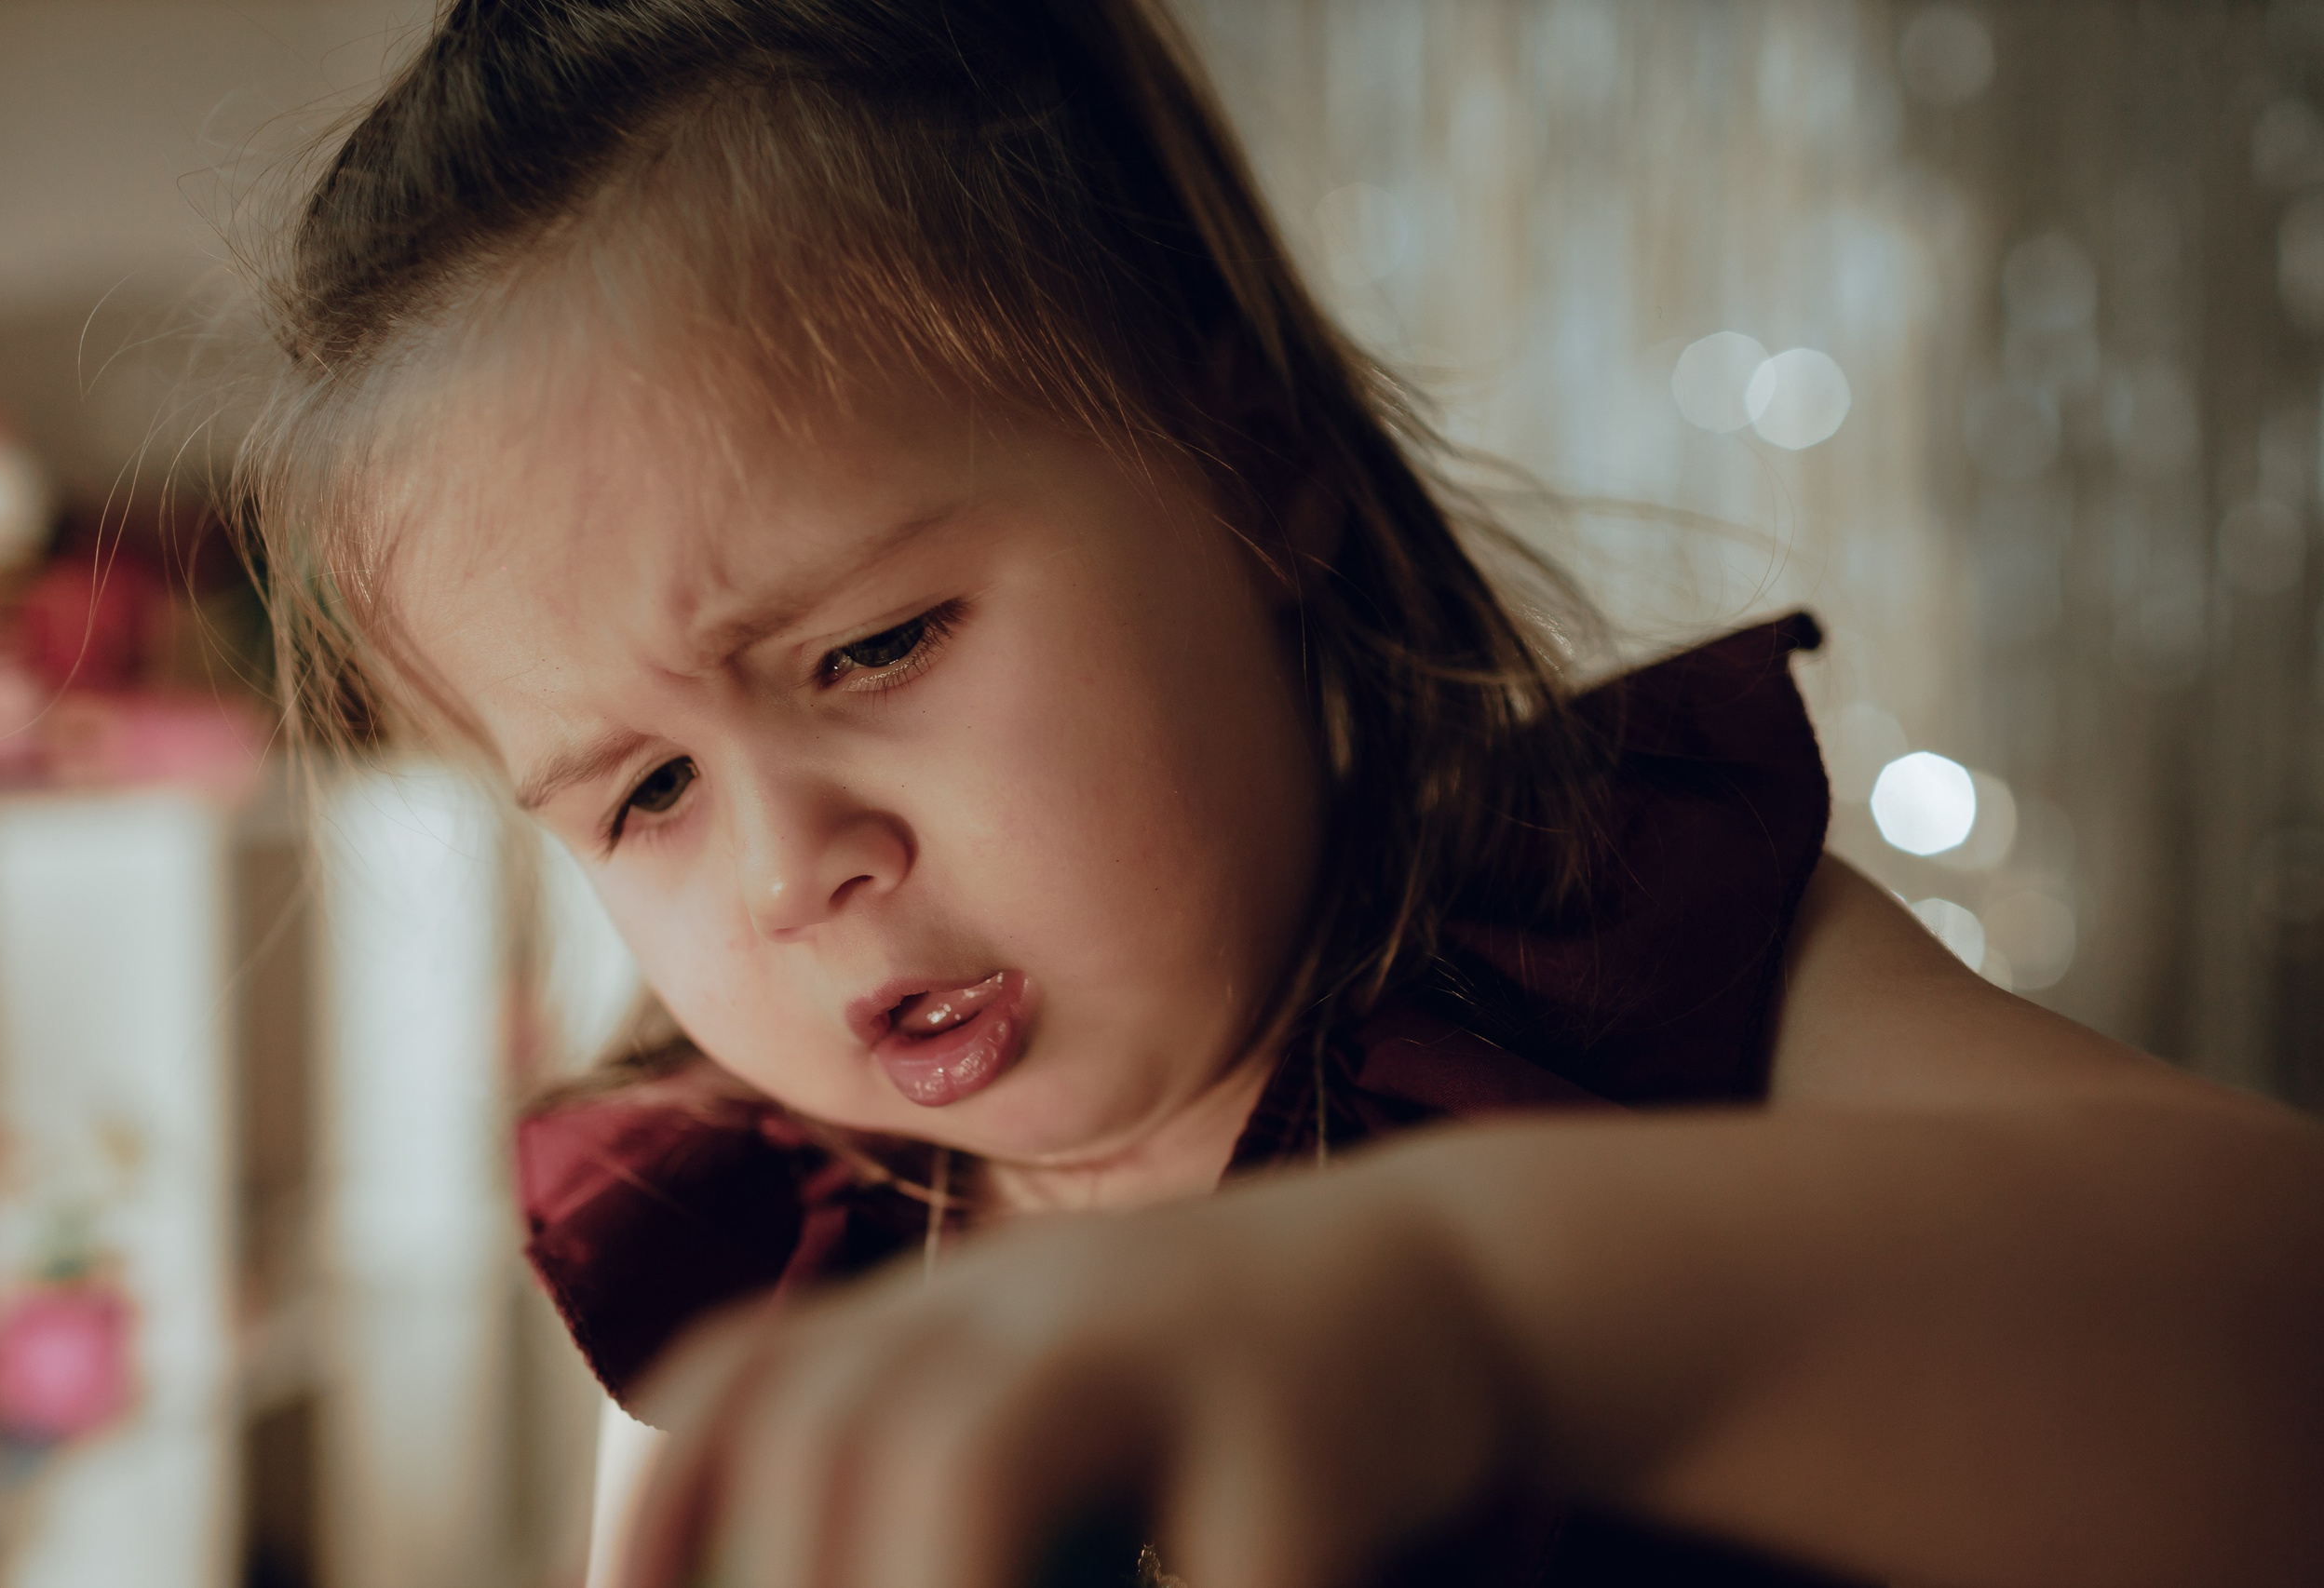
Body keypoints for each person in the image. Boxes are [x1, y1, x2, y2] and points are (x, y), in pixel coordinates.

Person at [233, 2, 2324, 1585]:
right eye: (644, 793)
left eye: (873, 648)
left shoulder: (1607, 948)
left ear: (1250, 473)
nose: (795, 868)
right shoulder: (738, 1245)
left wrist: (1482, 1308)